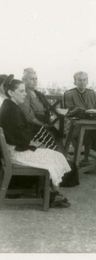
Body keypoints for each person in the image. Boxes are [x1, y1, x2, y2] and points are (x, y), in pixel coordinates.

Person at [0, 76, 71, 208]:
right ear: (10, 93)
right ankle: (53, 194)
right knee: (55, 156)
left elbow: (18, 132)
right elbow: (19, 136)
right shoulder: (12, 110)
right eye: (21, 91)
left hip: (14, 150)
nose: (25, 94)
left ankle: (53, 192)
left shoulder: (8, 106)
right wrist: (32, 144)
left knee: (54, 155)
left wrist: (31, 141)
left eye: (24, 91)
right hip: (16, 154)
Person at [64, 71, 96, 164]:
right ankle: (79, 158)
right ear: (75, 82)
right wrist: (79, 111)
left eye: (84, 80)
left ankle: (90, 157)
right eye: (79, 80)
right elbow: (68, 111)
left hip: (91, 123)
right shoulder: (69, 94)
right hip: (75, 123)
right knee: (82, 130)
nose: (82, 82)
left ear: (87, 81)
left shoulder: (92, 93)